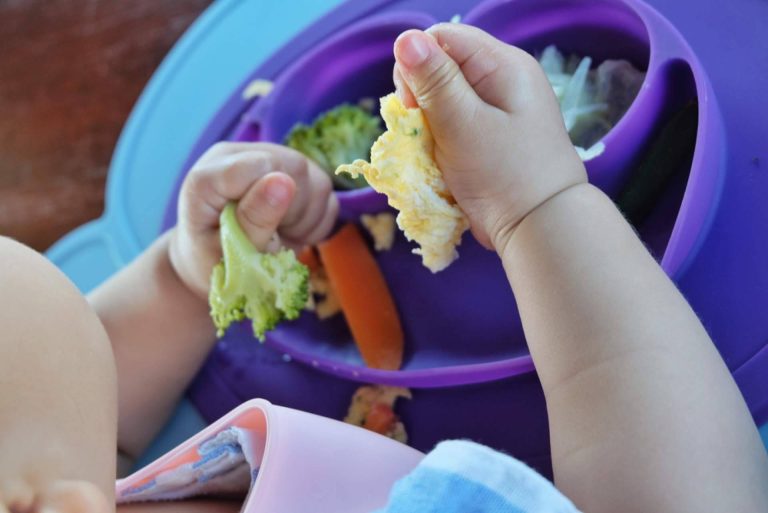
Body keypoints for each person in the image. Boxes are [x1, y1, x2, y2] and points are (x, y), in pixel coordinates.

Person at [1, 23, 766, 513]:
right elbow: (689, 497)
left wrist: (191, 276)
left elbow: (87, 414)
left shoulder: (69, 480)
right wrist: (541, 210)